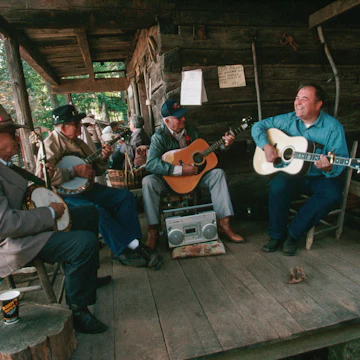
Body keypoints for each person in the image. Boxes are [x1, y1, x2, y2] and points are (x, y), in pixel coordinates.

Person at [0, 104, 110, 334]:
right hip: (15, 243)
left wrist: (48, 177)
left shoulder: (7, 166)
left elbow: (30, 191)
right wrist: (49, 213)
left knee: (89, 213)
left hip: (30, 226)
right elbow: (6, 224)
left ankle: (87, 276)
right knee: (84, 243)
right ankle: (78, 310)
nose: (17, 138)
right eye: (12, 134)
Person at [35, 104, 162, 269]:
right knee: (96, 212)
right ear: (63, 127)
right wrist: (72, 172)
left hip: (87, 189)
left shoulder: (79, 143)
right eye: (76, 124)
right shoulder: (49, 145)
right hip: (64, 196)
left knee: (125, 197)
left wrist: (102, 159)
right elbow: (43, 177)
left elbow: (94, 170)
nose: (80, 127)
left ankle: (132, 243)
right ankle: (126, 250)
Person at [251, 83, 349, 256]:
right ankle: (276, 235)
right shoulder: (288, 119)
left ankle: (293, 234)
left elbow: (340, 162)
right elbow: (257, 126)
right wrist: (266, 146)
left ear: (318, 105)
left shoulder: (333, 128)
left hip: (320, 176)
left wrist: (329, 167)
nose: (298, 103)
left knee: (332, 195)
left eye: (304, 99)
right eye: (297, 98)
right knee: (277, 186)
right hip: (294, 174)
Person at [142, 98, 245, 248]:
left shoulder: (191, 129)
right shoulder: (159, 137)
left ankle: (224, 223)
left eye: (183, 115)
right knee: (148, 182)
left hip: (193, 178)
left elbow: (204, 151)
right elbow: (151, 164)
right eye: (178, 117)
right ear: (167, 121)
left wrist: (224, 145)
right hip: (168, 181)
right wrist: (180, 170)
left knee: (218, 174)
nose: (183, 119)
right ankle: (153, 230)